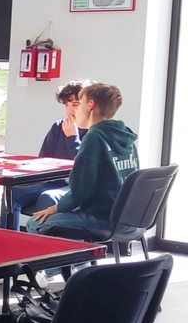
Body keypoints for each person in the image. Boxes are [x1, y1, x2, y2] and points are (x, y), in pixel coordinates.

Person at [28, 82, 137, 235]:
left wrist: (56, 208)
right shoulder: (124, 136)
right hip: (128, 217)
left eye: (79, 104)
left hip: (102, 217)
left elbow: (81, 191)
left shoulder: (94, 137)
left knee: (34, 223)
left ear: (90, 105)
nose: (75, 111)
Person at [0, 79, 87, 229]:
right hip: (53, 181)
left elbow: (83, 167)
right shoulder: (58, 126)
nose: (70, 110)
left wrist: (72, 137)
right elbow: (44, 160)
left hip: (76, 186)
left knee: (48, 197)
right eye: (66, 105)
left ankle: (40, 239)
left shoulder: (94, 132)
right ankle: (7, 238)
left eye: (75, 104)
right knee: (12, 194)